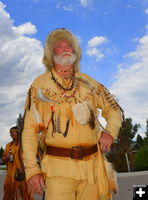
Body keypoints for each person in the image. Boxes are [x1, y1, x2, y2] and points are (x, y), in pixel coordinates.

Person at [22, 28, 123, 200]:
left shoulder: (89, 82)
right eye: (59, 46)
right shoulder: (40, 85)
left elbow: (113, 109)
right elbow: (30, 130)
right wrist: (32, 170)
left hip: (92, 167)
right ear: (50, 53)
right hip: (57, 168)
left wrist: (110, 132)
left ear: (76, 51)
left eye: (69, 45)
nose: (66, 48)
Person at [2, 126, 34, 200]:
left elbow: (30, 158)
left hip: (22, 172)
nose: (11, 134)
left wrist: (23, 168)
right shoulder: (8, 146)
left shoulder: (24, 145)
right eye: (10, 133)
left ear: (18, 132)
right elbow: (3, 159)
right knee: (9, 191)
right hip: (10, 175)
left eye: (12, 132)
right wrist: (6, 158)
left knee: (26, 192)